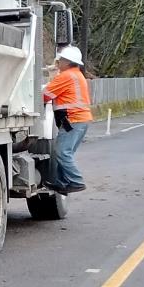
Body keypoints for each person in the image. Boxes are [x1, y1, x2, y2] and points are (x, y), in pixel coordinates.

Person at [42, 44, 92, 192]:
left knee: (62, 152)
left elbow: (45, 95)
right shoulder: (76, 75)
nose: (58, 63)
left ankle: (76, 181)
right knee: (64, 153)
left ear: (67, 61)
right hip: (79, 120)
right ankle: (62, 182)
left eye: (60, 60)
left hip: (73, 120)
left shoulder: (66, 76)